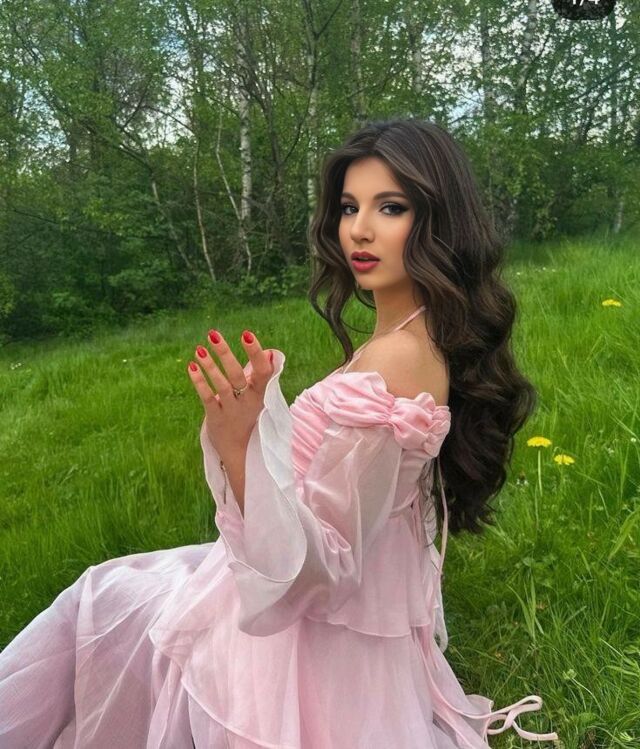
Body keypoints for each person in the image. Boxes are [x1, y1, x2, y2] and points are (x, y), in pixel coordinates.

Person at [0, 118, 559, 747]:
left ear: (438, 221)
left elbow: (324, 570)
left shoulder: (399, 359)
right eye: (348, 207)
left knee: (101, 604)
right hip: (324, 612)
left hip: (304, 642)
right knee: (110, 598)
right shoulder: (408, 339)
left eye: (390, 207)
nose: (359, 230)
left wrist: (239, 445)